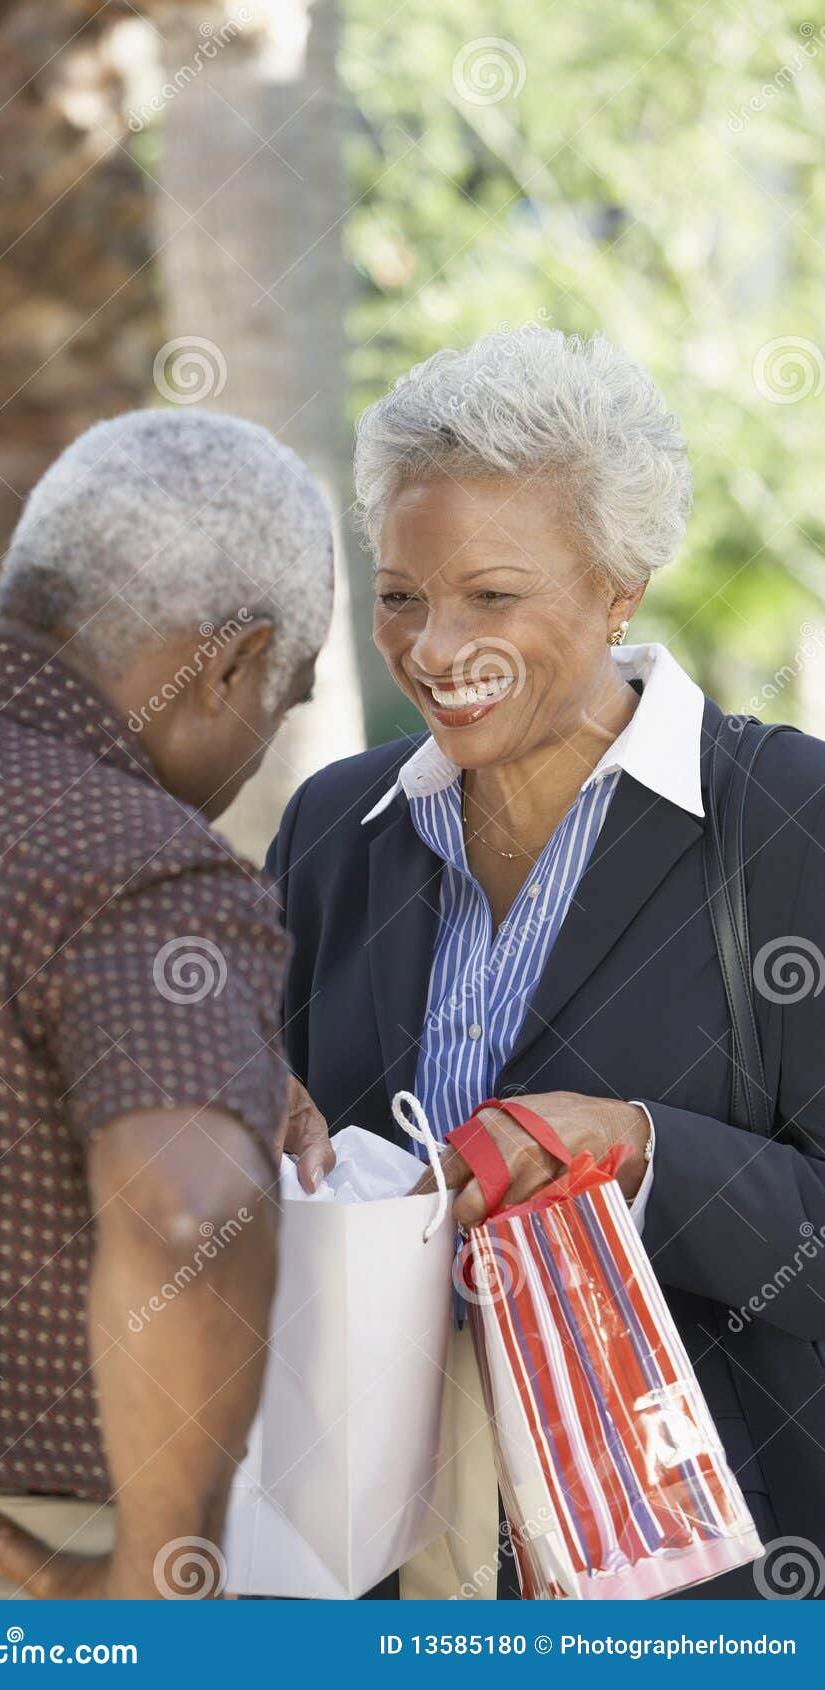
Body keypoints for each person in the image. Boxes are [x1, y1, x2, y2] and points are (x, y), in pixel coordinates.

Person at [267, 326, 825, 1600]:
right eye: (402, 594)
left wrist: (635, 1148)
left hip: (699, 1589)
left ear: (617, 585)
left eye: (491, 595)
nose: (431, 646)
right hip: (379, 1573)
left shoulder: (783, 822)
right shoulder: (334, 834)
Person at [0, 407, 334, 1599]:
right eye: (282, 697)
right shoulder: (143, 862)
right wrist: (155, 1576)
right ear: (226, 660)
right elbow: (183, 1213)